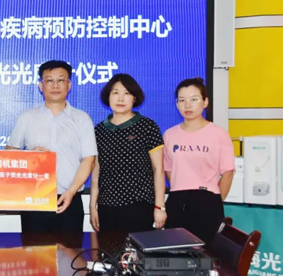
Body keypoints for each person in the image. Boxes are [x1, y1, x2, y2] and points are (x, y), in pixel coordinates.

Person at [6, 60, 97, 233]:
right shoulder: (27, 118)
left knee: (71, 249)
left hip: (70, 199)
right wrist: (29, 156)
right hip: (34, 199)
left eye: (61, 80)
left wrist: (71, 192)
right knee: (34, 250)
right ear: (41, 86)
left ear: (69, 85)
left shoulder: (82, 119)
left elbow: (89, 160)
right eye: (49, 80)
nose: (55, 85)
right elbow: (9, 155)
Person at [89, 74, 166, 233]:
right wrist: (92, 206)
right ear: (108, 97)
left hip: (139, 205)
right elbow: (96, 172)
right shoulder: (99, 130)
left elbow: (158, 169)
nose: (120, 98)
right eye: (115, 93)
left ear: (134, 98)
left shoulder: (147, 126)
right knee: (108, 248)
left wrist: (160, 207)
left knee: (138, 249)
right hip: (107, 206)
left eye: (126, 93)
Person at [163, 77, 235, 245]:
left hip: (207, 203)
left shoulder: (218, 133)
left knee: (205, 254)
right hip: (176, 202)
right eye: (182, 100)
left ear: (205, 102)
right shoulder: (169, 134)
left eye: (194, 99)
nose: (187, 105)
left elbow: (228, 173)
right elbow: (168, 169)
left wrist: (214, 201)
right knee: (175, 252)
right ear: (177, 104)